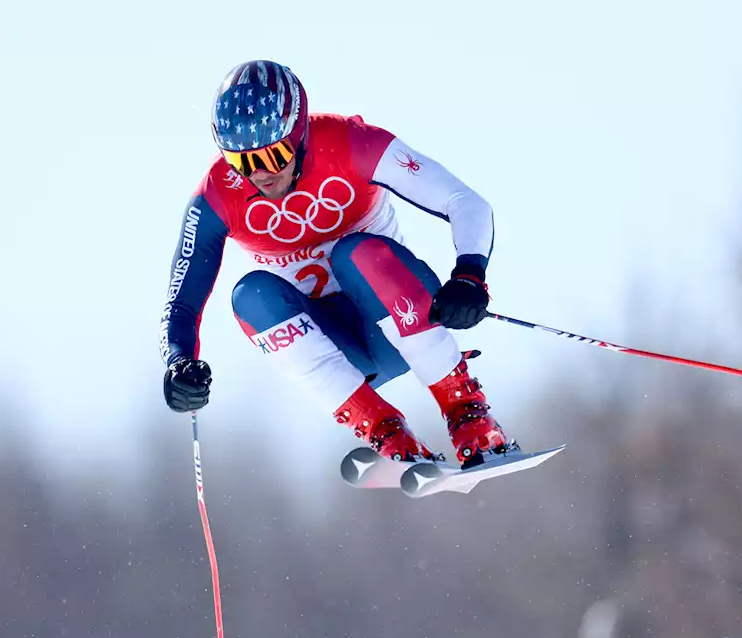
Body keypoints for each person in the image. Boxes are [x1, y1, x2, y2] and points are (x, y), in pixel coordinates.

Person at [159, 59, 510, 468]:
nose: (261, 176)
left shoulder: (349, 142)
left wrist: (469, 276)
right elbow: (180, 304)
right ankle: (388, 434)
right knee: (249, 294)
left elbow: (465, 202)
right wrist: (177, 364)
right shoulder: (217, 194)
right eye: (243, 162)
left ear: (299, 135)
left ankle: (468, 413)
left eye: (273, 156)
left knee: (353, 253)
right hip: (341, 353)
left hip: (402, 321)